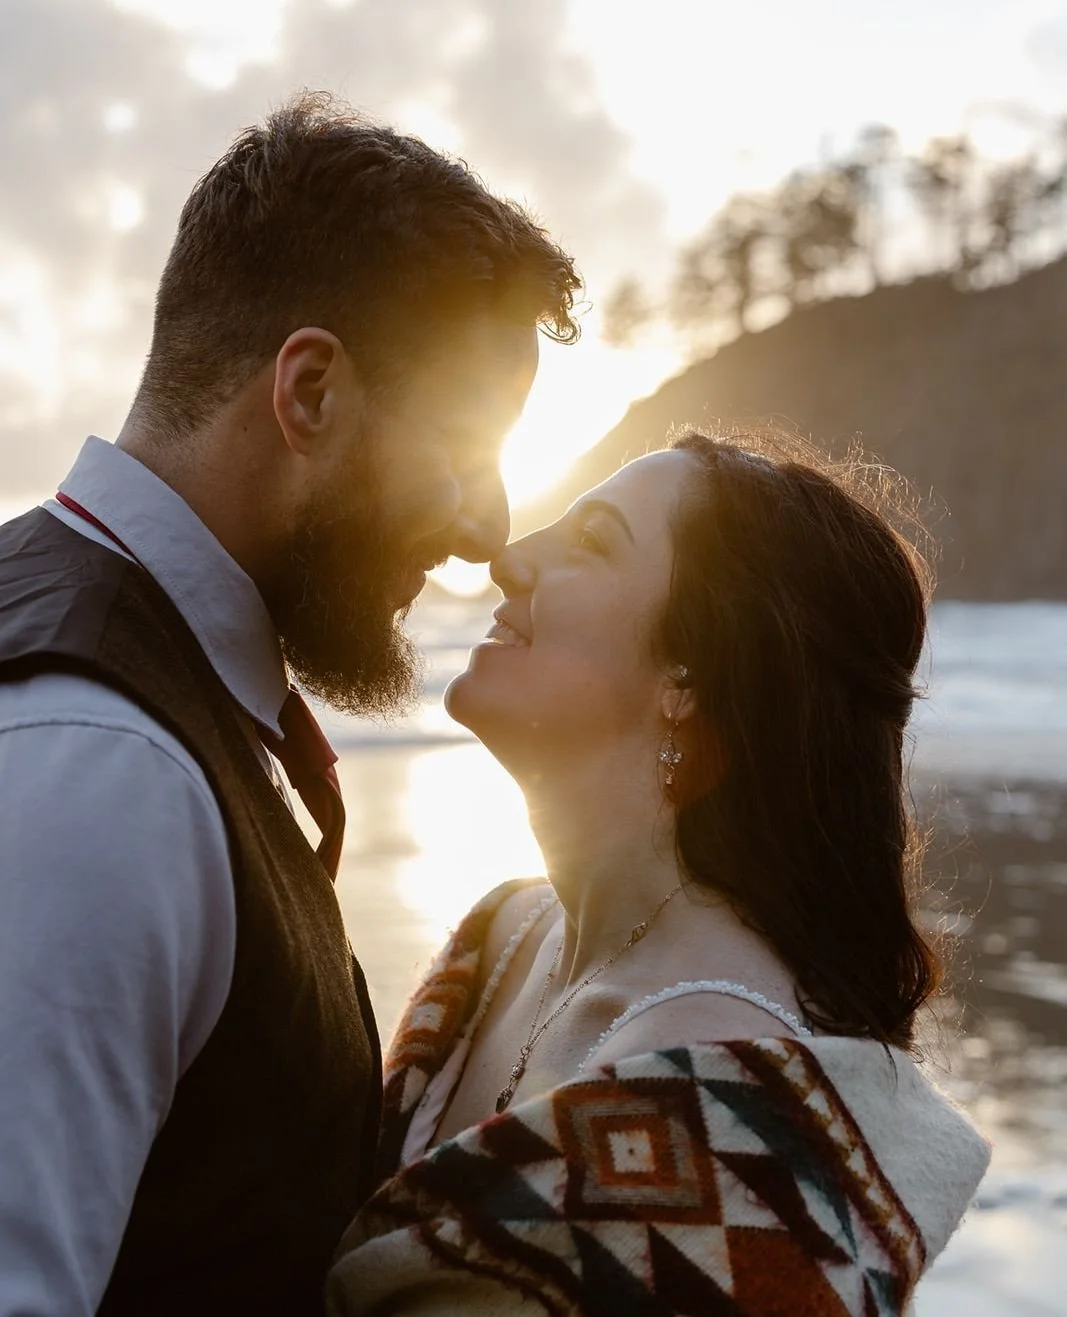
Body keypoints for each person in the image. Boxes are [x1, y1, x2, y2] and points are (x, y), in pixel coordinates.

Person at [0, 92, 579, 1316]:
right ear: (308, 393)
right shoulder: (100, 767)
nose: (488, 528)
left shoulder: (141, 699)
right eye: (465, 447)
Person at [328, 430, 990, 1316]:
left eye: (591, 542)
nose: (509, 560)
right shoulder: (504, 937)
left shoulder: (727, 1097)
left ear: (692, 669)